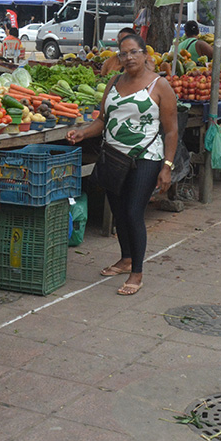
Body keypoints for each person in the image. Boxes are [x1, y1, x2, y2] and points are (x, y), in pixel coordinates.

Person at [66, 33, 178, 296]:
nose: (128, 58)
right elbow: (103, 120)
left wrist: (167, 166)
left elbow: (171, 131)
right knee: (118, 211)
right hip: (115, 158)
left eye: (134, 52)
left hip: (146, 158)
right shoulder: (114, 82)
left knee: (132, 211)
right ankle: (126, 257)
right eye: (123, 54)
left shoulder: (159, 86)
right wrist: (83, 132)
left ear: (145, 54)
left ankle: (136, 272)